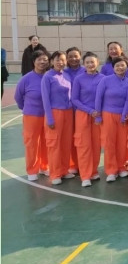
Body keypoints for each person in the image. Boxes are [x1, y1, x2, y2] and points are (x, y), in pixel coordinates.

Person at [40, 51, 75, 185]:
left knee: (66, 143)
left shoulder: (67, 75)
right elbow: (45, 99)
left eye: (62, 60)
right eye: (57, 60)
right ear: (51, 61)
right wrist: (50, 118)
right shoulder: (48, 77)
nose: (60, 62)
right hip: (55, 113)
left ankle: (64, 170)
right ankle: (55, 173)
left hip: (68, 112)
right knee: (54, 144)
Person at [15, 50, 50, 180]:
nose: (42, 62)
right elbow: (18, 97)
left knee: (46, 142)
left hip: (48, 116)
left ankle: (44, 166)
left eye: (45, 59)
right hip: (32, 116)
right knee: (32, 143)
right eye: (39, 59)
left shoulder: (50, 76)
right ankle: (32, 170)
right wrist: (26, 108)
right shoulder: (26, 79)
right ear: (34, 62)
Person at [95, 57, 128, 181]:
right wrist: (98, 116)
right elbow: (98, 98)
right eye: (117, 66)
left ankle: (121, 167)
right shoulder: (105, 80)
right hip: (107, 115)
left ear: (127, 67)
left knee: (122, 143)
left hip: (123, 116)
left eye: (122, 65)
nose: (120, 68)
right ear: (113, 68)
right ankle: (111, 170)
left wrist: (124, 114)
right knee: (109, 143)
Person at [71, 52, 104, 187]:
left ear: (97, 63)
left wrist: (98, 113)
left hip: (98, 115)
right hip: (83, 115)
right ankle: (85, 175)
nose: (90, 64)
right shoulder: (78, 79)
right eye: (87, 62)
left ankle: (94, 171)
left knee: (96, 145)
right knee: (84, 145)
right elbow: (74, 99)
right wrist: (90, 111)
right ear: (83, 64)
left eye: (92, 62)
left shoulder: (103, 78)